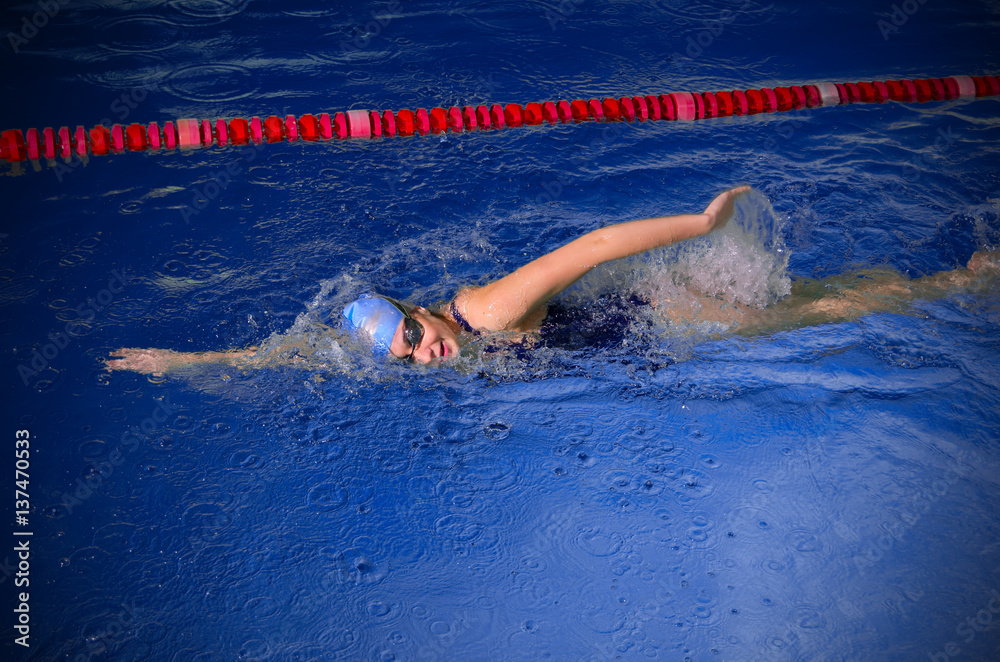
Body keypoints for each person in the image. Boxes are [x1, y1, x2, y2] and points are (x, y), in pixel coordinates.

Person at [106, 187, 997, 374]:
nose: (427, 351)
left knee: (825, 313)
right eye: (409, 355)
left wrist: (700, 223)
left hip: (672, 313)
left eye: (414, 331)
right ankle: (952, 275)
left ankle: (965, 284)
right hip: (645, 325)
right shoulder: (430, 347)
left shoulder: (485, 310)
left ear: (421, 307)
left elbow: (595, 245)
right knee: (820, 302)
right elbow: (300, 354)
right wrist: (187, 362)